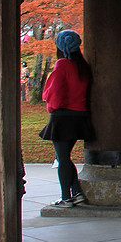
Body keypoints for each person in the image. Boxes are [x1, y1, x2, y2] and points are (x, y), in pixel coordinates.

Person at [39, 29, 93, 208]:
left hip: (62, 116)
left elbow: (55, 92)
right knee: (65, 157)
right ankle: (76, 193)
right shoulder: (83, 67)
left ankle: (66, 198)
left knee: (62, 158)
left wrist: (51, 106)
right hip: (79, 116)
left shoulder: (62, 64)